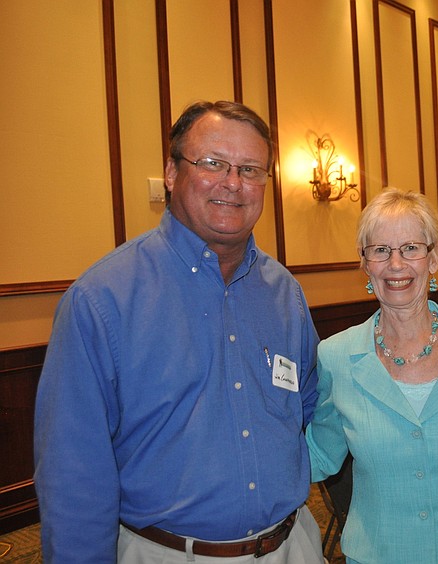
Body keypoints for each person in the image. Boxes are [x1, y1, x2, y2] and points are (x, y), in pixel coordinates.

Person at [34, 101, 324, 564]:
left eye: (251, 169)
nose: (233, 183)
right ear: (171, 172)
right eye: (212, 163)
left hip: (292, 547)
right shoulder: (102, 300)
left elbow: (304, 406)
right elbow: (73, 477)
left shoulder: (284, 293)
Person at [306, 188, 438, 563]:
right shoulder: (337, 356)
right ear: (365, 263)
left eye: (411, 247)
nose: (396, 264)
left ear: (434, 257)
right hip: (376, 553)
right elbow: (318, 455)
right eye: (380, 250)